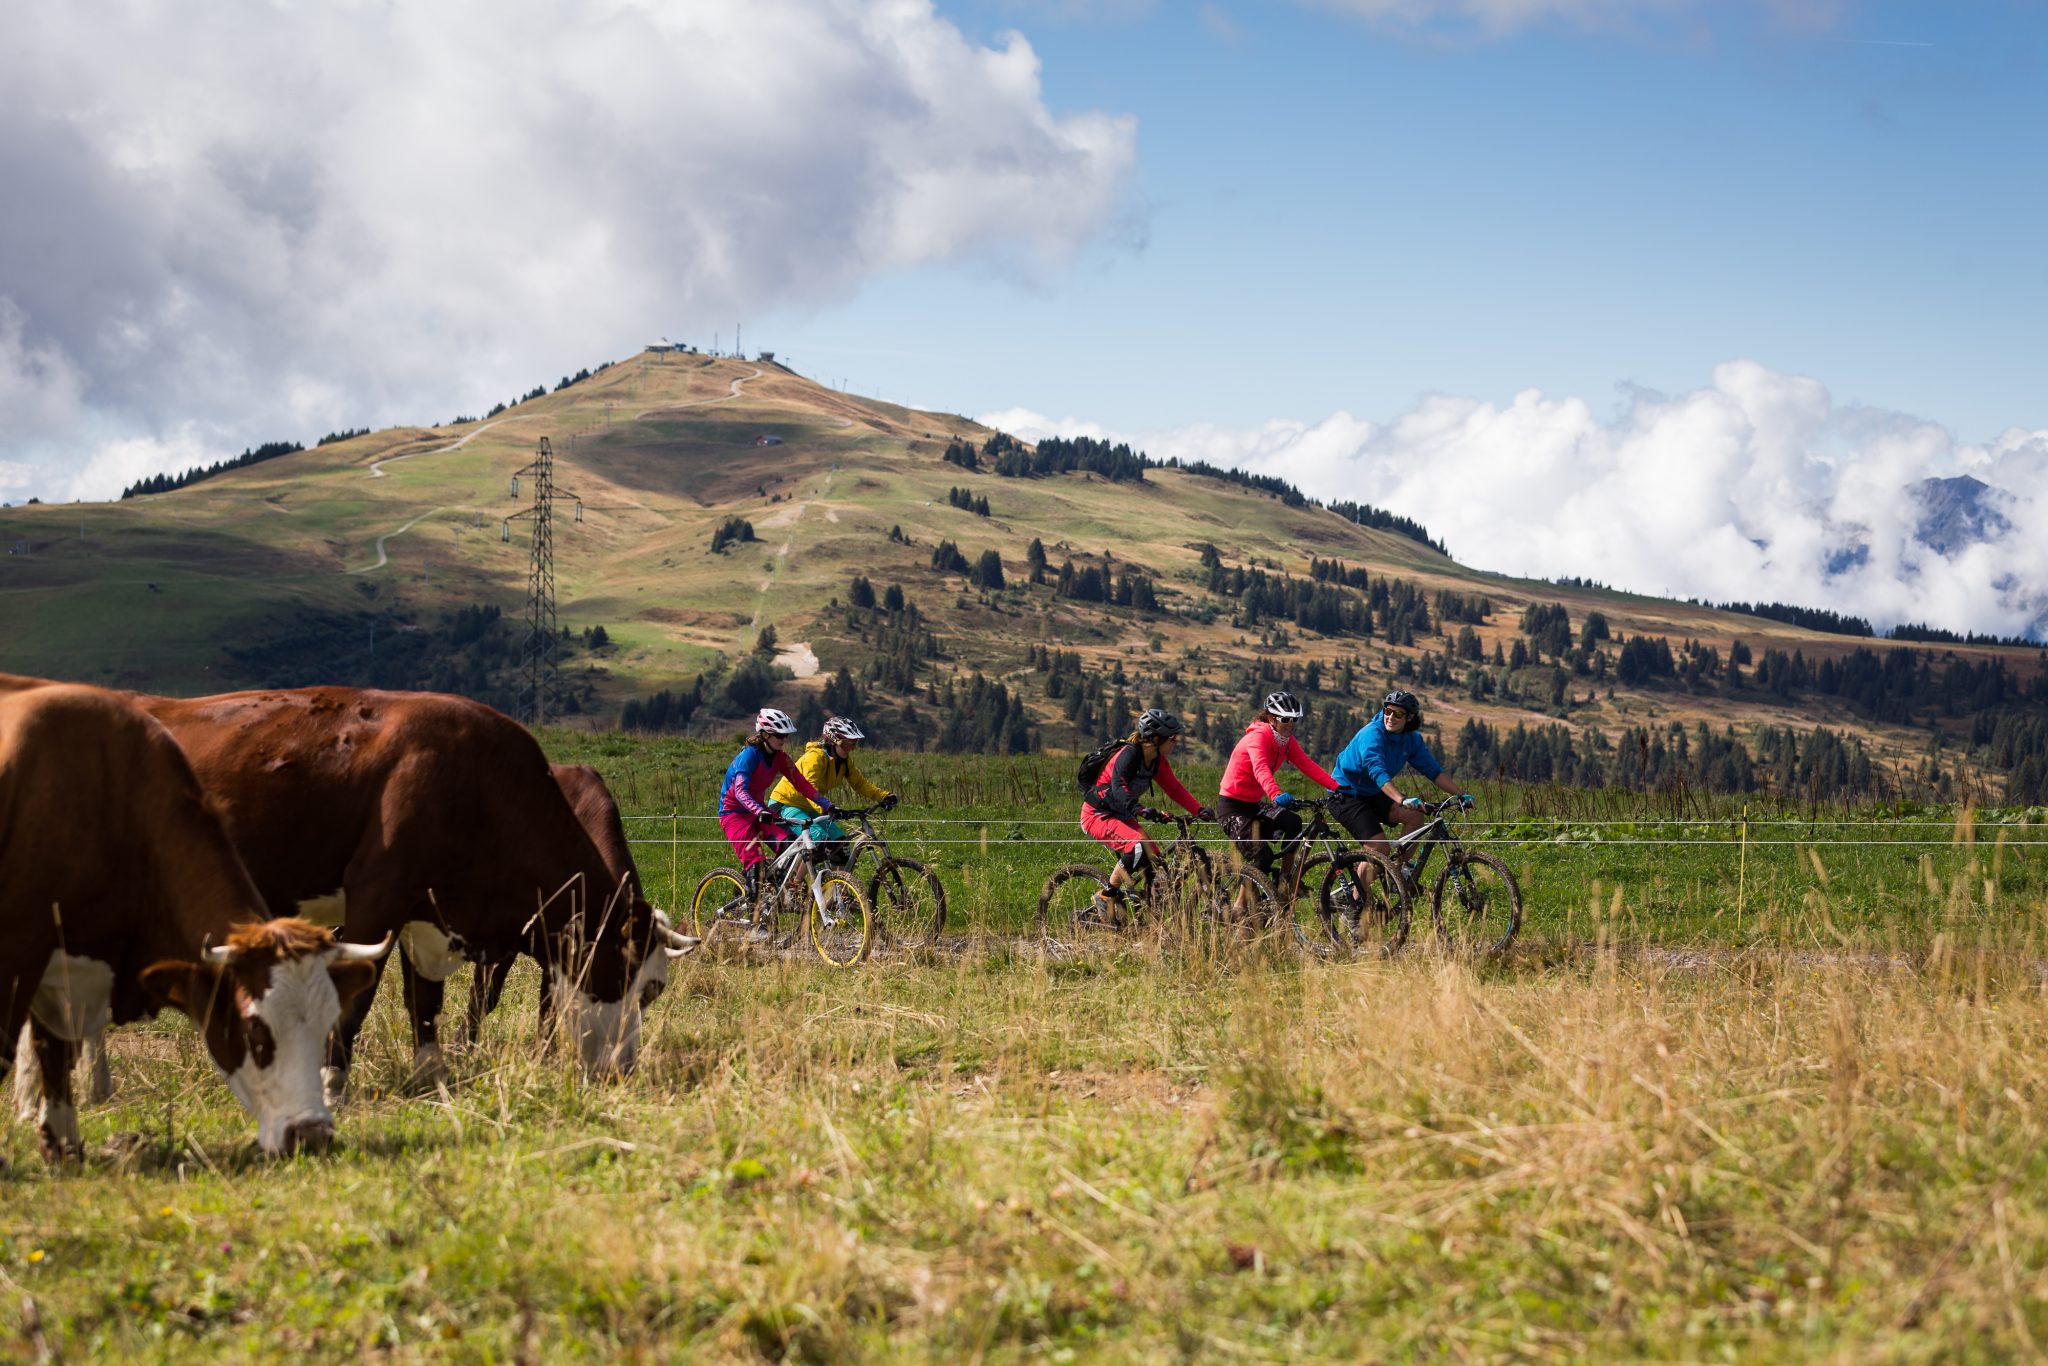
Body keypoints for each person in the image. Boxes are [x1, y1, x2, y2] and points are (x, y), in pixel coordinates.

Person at [1080, 708, 1212, 918]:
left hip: (1121, 815)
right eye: (1172, 737)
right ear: (1156, 738)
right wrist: (1138, 809)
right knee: (1138, 847)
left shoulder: (1157, 761)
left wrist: (1198, 810)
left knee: (1156, 862)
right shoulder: (1130, 755)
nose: (1176, 741)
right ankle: (1106, 896)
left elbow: (1175, 789)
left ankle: (1147, 917)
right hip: (1098, 815)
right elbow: (1118, 786)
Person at [1328, 690, 1474, 864]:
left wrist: (1460, 795)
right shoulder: (1372, 734)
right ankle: (1359, 892)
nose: (1390, 717)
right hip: (1345, 794)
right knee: (1379, 848)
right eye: (1387, 711)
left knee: (1415, 816)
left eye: (1398, 714)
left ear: (1410, 718)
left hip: (1373, 793)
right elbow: (1377, 770)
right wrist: (1401, 799)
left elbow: (1433, 771)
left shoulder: (1412, 740)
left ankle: (1398, 874)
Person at [1216, 691, 1338, 887]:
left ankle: (1285, 880)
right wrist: (1276, 794)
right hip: (1233, 808)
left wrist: (1337, 787)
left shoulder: (1285, 742)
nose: (1291, 724)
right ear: (1272, 718)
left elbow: (1307, 765)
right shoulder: (1258, 737)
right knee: (1263, 857)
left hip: (1254, 805)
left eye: (1294, 720)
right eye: (1286, 719)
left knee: (1293, 822)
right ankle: (1239, 906)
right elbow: (1260, 767)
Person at [719, 707, 829, 894]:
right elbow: (740, 791)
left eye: (785, 735)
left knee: (792, 845)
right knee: (756, 865)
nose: (783, 740)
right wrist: (759, 811)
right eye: (779, 735)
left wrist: (828, 806)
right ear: (764, 734)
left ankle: (777, 890)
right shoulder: (749, 756)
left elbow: (802, 785)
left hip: (759, 811)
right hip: (735, 814)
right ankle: (755, 918)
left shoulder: (780, 758)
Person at [768, 715, 898, 863]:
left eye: (854, 744)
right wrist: (828, 808)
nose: (850, 749)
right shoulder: (815, 757)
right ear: (832, 741)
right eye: (846, 744)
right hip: (786, 804)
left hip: (810, 806)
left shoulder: (844, 760)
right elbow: (810, 787)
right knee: (818, 839)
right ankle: (796, 884)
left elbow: (859, 783)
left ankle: (836, 884)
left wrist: (884, 796)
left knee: (840, 845)